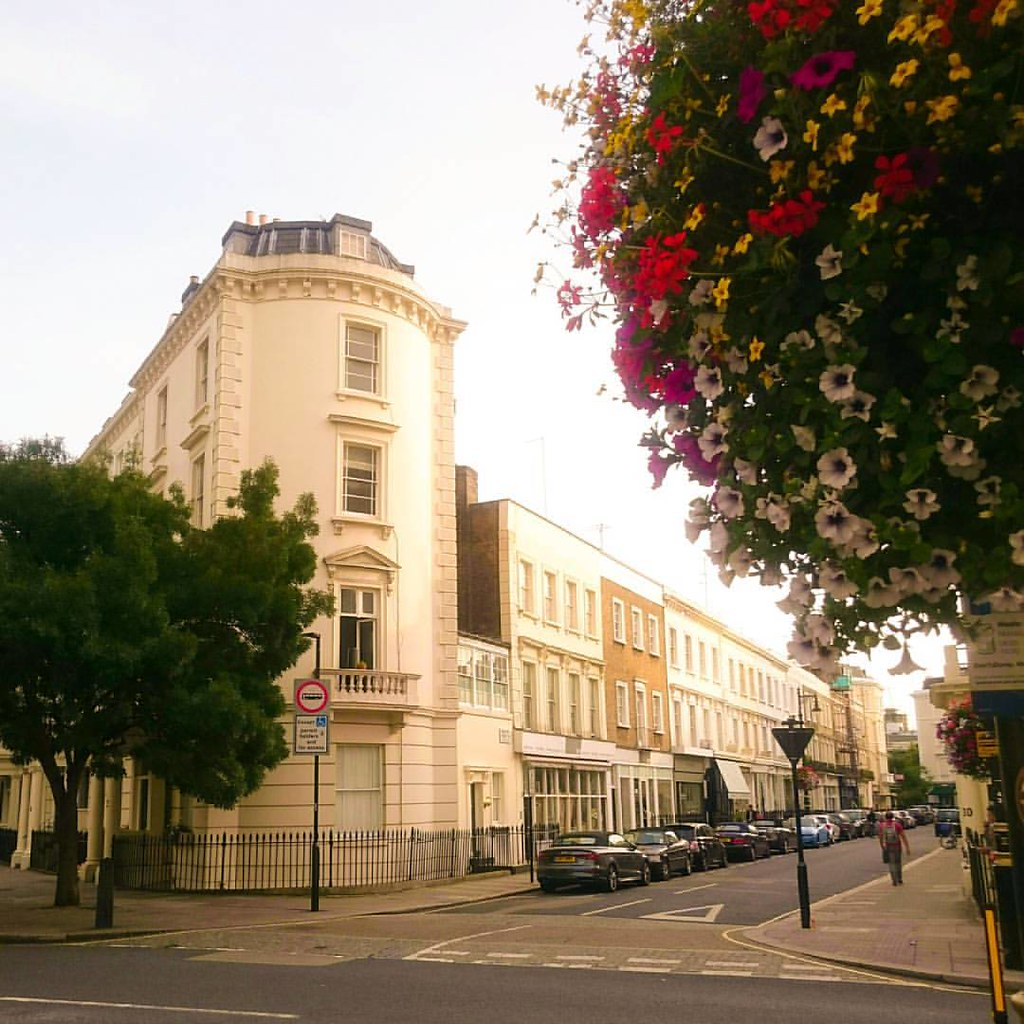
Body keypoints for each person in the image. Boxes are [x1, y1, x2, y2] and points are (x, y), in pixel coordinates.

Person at [879, 810, 910, 885]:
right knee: (898, 862)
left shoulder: (882, 826)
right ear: (892, 817)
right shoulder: (897, 825)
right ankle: (899, 879)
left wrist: (882, 846)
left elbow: (881, 837)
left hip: (888, 846)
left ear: (885, 817)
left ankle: (894, 880)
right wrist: (907, 847)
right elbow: (903, 836)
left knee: (891, 863)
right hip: (897, 845)